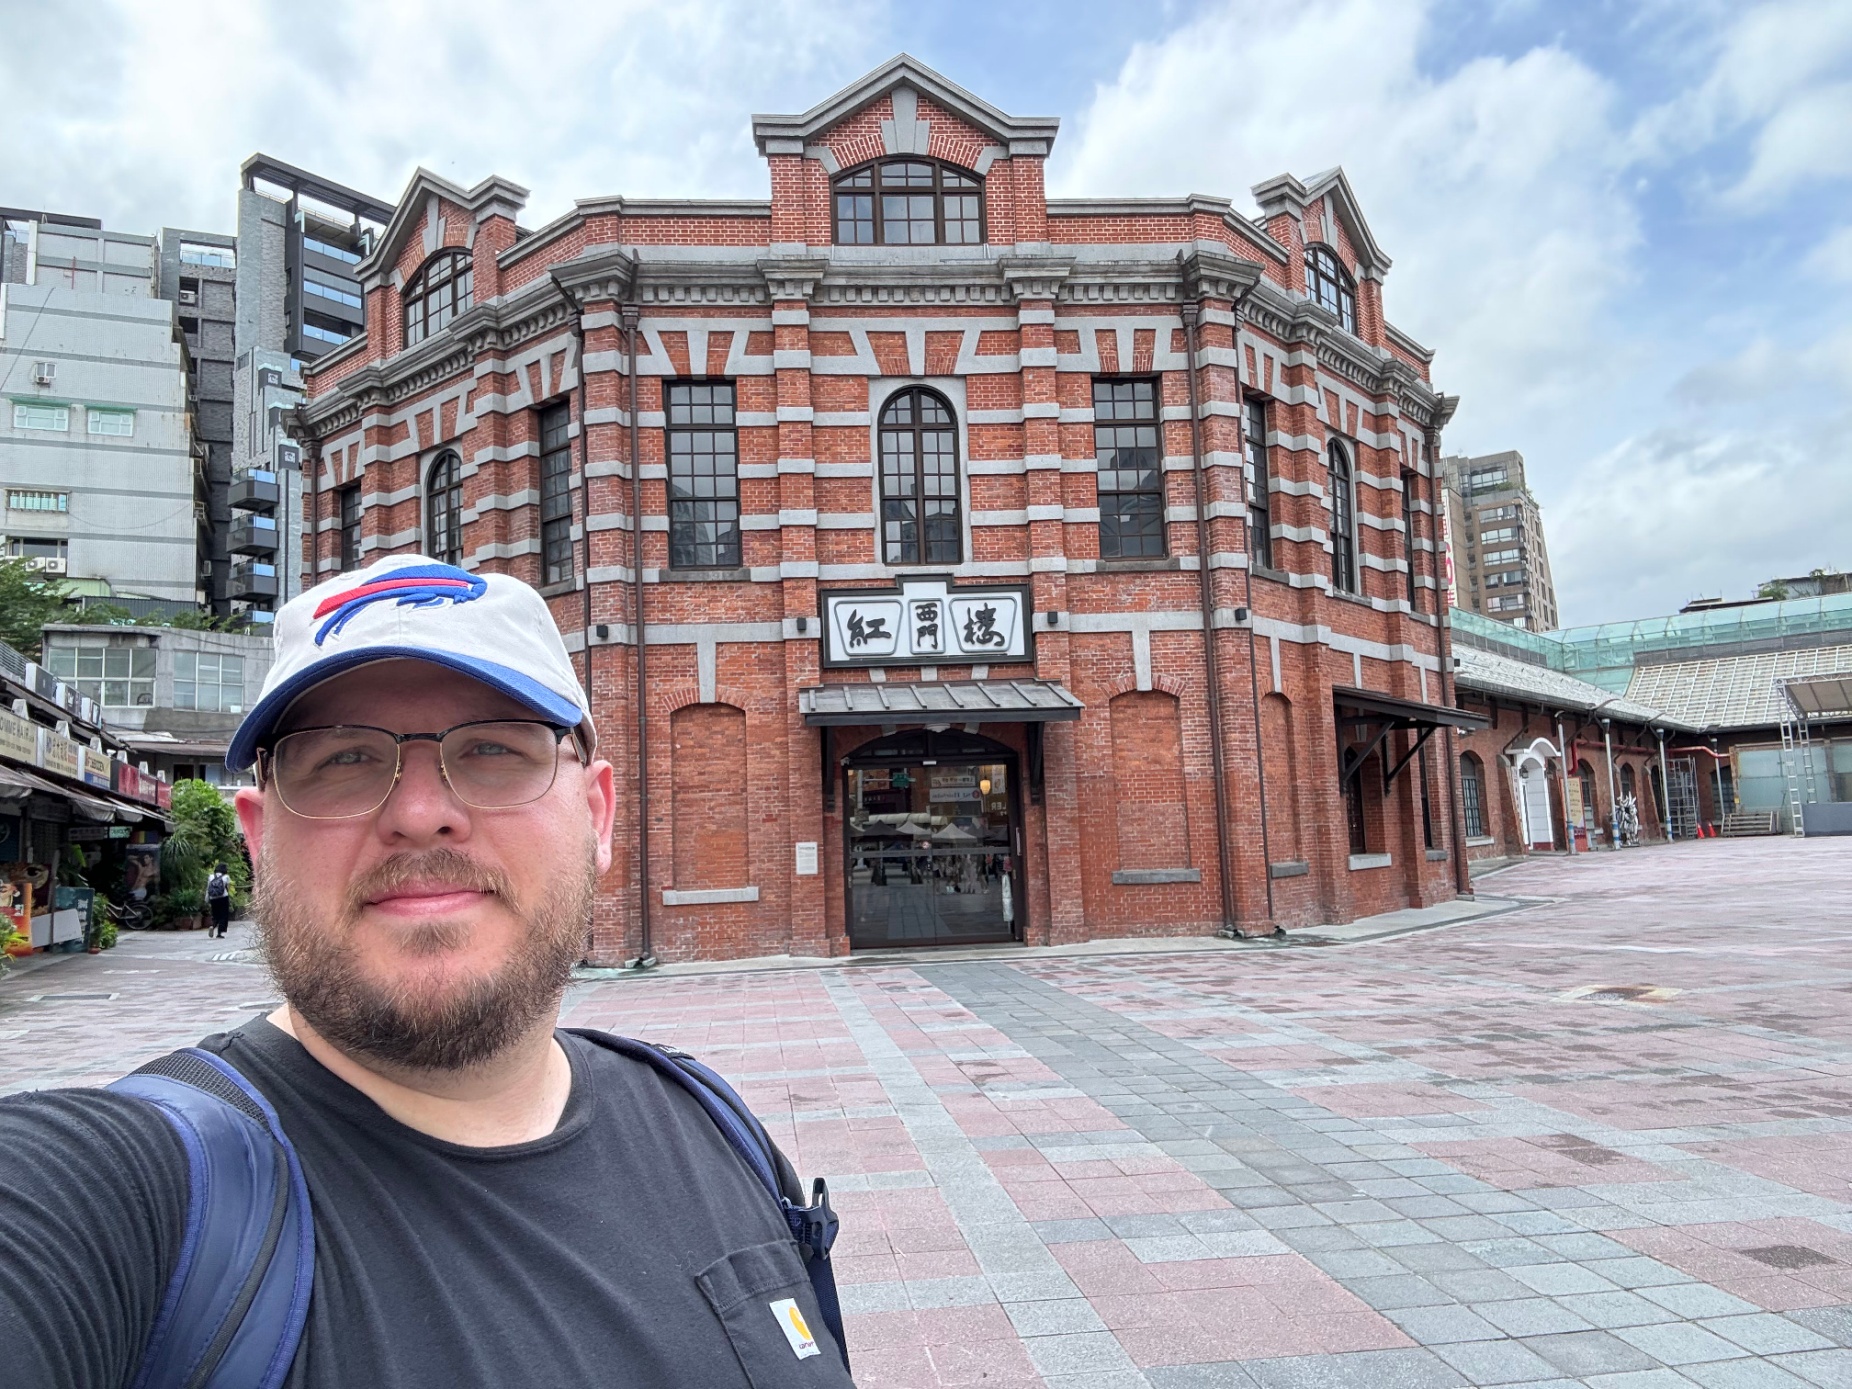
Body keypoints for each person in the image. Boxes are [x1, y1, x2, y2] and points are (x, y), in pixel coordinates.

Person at [0, 555, 852, 1387]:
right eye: (343, 759)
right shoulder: (131, 1199)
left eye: (492, 749)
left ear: (596, 815)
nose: (419, 814)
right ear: (258, 840)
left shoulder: (715, 1127)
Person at [204, 860, 233, 938]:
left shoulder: (211, 876)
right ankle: (219, 933)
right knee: (223, 915)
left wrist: (207, 898)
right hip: (223, 897)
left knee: (215, 914)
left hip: (213, 898)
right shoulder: (226, 877)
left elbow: (208, 888)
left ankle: (213, 926)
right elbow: (227, 888)